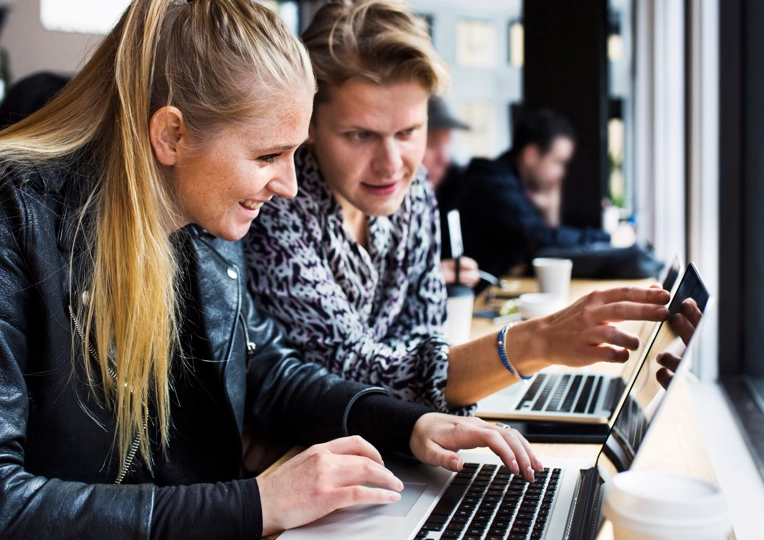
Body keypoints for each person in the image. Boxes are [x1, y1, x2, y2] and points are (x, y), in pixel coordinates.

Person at [0, 1, 544, 538]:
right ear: (170, 134)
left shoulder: (198, 216)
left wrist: (412, 425)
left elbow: (270, 370)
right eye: (266, 156)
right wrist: (255, 504)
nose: (289, 184)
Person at [244, 0, 669, 416]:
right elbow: (356, 372)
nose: (391, 164)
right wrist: (536, 342)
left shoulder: (412, 192)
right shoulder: (275, 208)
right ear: (309, 126)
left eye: (409, 131)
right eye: (360, 135)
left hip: (397, 441)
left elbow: (426, 336)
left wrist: (454, 369)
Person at [457, 108, 614, 278]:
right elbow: (540, 238)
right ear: (530, 155)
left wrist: (550, 208)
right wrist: (607, 239)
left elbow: (546, 243)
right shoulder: (493, 184)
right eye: (558, 162)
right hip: (476, 297)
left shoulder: (514, 185)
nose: (562, 173)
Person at [423, 95, 480, 287]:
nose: (444, 159)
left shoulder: (455, 188)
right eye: (431, 145)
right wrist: (433, 274)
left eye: (446, 145)